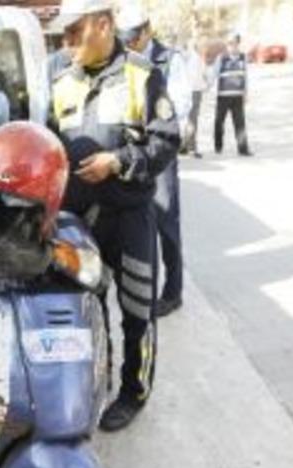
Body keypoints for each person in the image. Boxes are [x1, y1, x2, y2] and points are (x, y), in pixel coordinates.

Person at [48, 0, 180, 432]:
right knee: (87, 308)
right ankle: (96, 379)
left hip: (130, 220)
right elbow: (50, 146)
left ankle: (133, 393)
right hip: (79, 223)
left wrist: (118, 161)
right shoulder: (62, 80)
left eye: (74, 33)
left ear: (103, 24)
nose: (66, 43)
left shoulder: (141, 74)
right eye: (63, 35)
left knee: (137, 312)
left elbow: (165, 141)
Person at [117, 4, 187, 316]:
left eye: (134, 37)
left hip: (160, 153)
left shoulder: (171, 60)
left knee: (166, 225)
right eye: (126, 38)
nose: (129, 43)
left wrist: (161, 141)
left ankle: (173, 292)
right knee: (139, 226)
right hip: (131, 153)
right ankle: (141, 292)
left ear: (147, 30)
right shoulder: (121, 59)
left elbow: (180, 109)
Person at [210, 33, 254, 156]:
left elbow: (245, 76)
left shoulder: (243, 57)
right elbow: (214, 75)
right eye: (229, 43)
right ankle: (218, 146)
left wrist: (246, 93)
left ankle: (243, 149)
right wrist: (210, 91)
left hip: (237, 96)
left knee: (240, 123)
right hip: (223, 96)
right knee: (219, 122)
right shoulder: (221, 58)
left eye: (234, 43)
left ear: (238, 44)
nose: (232, 46)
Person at [182, 38, 208, 159]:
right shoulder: (195, 59)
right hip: (194, 92)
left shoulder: (192, 58)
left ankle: (185, 146)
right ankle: (191, 148)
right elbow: (200, 77)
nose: (205, 47)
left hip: (190, 92)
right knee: (192, 121)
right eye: (203, 45)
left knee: (189, 120)